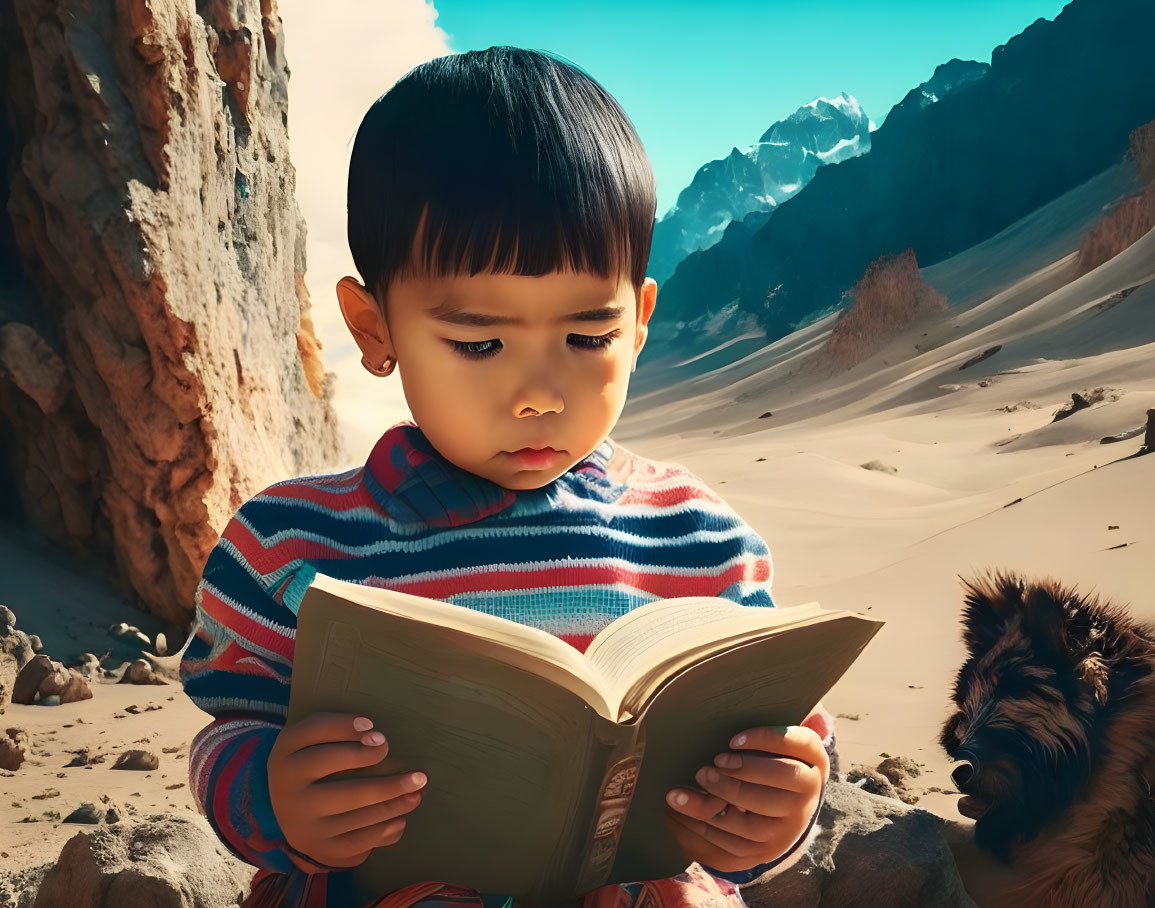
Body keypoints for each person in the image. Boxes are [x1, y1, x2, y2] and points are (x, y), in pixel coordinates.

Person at [180, 45, 838, 908]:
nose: (539, 395)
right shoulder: (291, 542)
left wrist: (773, 815)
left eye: (587, 337)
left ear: (638, 322)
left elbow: (779, 745)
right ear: (373, 327)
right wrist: (274, 798)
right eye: (479, 343)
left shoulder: (703, 538)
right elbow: (227, 729)